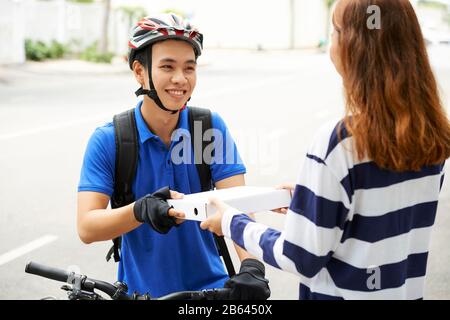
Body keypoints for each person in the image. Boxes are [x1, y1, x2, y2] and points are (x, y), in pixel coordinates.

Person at [201, 0, 450, 300]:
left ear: (352, 47)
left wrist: (231, 222)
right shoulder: (430, 136)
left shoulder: (341, 142)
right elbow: (383, 214)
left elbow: (300, 257)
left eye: (334, 31)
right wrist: (313, 200)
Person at [77, 13, 270, 299]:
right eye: (167, 66)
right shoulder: (111, 140)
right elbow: (87, 226)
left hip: (211, 293)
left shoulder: (208, 128)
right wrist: (139, 210)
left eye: (189, 68)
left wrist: (252, 265)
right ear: (139, 72)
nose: (180, 79)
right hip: (142, 294)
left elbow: (238, 203)